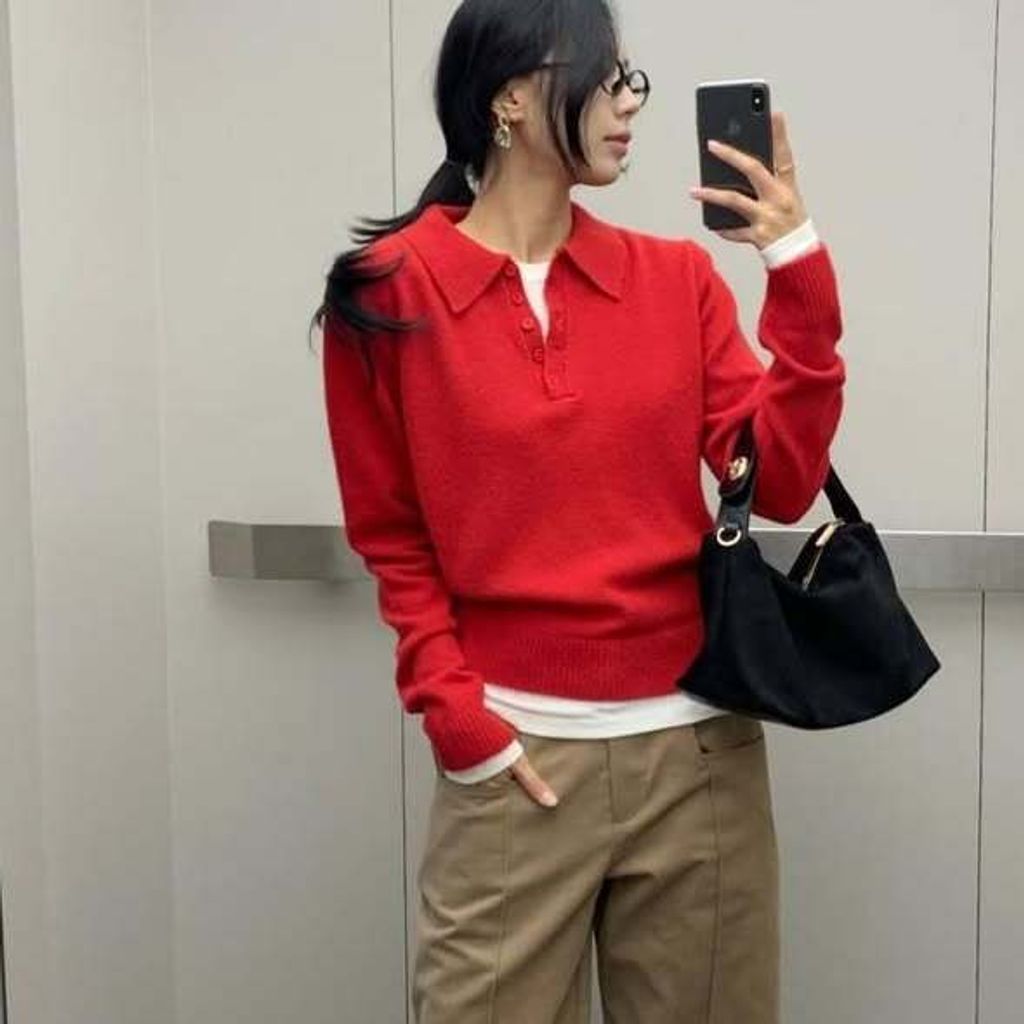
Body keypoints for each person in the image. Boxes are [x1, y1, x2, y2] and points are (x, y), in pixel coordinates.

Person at [311, 1, 845, 1019]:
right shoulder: (386, 296)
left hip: (698, 757)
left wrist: (796, 270)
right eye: (607, 78)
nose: (628, 103)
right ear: (511, 97)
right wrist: (457, 714)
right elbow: (391, 536)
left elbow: (776, 481)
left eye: (629, 81)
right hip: (514, 760)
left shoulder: (675, 280)